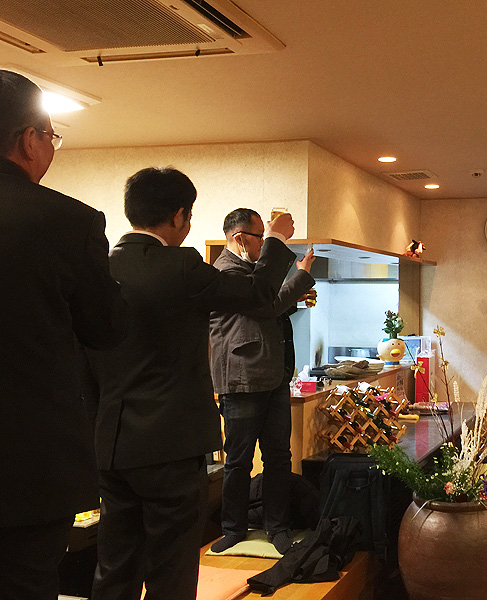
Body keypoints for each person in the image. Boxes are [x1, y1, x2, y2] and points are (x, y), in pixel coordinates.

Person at [86, 168, 296, 600]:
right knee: (172, 568)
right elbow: (258, 295)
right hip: (171, 445)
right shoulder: (181, 266)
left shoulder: (98, 269)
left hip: (110, 445)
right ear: (179, 216)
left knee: (115, 565)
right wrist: (275, 239)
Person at [0, 69, 126, 600]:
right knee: (26, 583)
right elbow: (106, 328)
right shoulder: (67, 221)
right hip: (29, 461)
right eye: (51, 136)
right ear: (29, 139)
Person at [209, 208, 316, 554]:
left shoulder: (251, 274)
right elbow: (265, 306)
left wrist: (295, 289)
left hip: (273, 376)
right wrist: (299, 275)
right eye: (261, 238)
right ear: (240, 238)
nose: (263, 245)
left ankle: (277, 526)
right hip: (241, 380)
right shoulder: (225, 272)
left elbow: (268, 305)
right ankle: (233, 528)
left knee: (279, 457)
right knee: (238, 460)